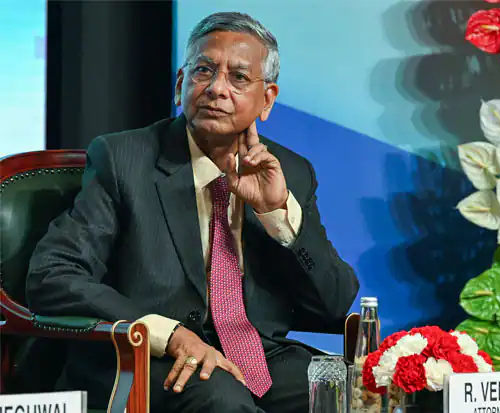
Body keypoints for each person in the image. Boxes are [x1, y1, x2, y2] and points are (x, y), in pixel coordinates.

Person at [26, 11, 359, 413]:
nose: (217, 88)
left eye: (238, 77)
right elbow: (53, 274)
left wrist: (277, 214)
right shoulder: (123, 159)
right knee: (222, 398)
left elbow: (334, 303)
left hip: (259, 358)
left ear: (267, 99)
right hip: (152, 359)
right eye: (204, 71)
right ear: (180, 84)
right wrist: (169, 334)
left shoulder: (289, 172)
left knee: (351, 391)